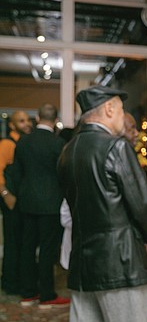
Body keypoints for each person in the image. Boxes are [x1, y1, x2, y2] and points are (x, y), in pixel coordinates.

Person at [57, 85, 147, 322]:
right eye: (122, 110)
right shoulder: (116, 146)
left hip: (81, 264)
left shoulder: (67, 152)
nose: (124, 117)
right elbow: (142, 203)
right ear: (110, 109)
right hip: (121, 264)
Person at [11, 104, 69, 308]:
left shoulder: (24, 141)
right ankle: (46, 295)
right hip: (51, 203)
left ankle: (27, 293)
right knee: (47, 250)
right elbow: (64, 175)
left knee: (27, 247)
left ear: (37, 118)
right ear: (55, 120)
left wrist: (21, 193)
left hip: (27, 202)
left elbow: (16, 173)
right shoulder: (58, 143)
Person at [0, 110, 32, 295]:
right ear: (12, 125)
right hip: (11, 200)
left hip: (23, 201)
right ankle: (10, 283)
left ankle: (20, 281)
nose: (26, 124)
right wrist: (6, 195)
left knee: (22, 242)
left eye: (27, 120)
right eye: (21, 121)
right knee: (13, 243)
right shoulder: (6, 144)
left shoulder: (25, 143)